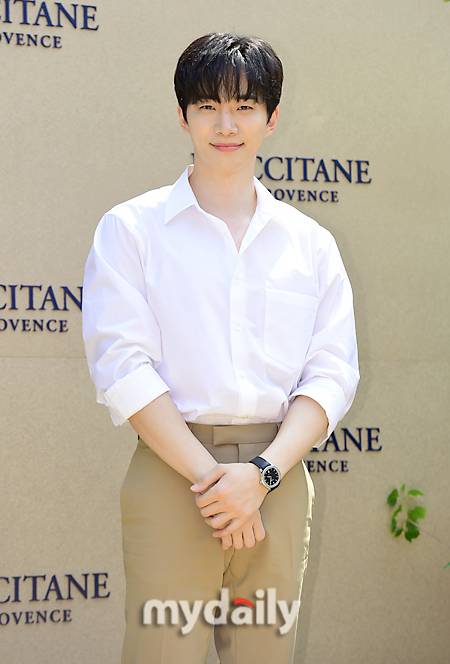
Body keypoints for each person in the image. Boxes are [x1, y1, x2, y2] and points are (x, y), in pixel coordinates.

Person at [81, 31, 360, 664]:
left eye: (244, 107)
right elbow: (124, 366)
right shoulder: (132, 229)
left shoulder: (310, 244)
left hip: (277, 479)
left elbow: (331, 373)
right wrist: (217, 484)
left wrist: (260, 478)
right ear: (183, 116)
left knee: (265, 654)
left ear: (272, 118)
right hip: (173, 475)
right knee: (161, 652)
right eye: (207, 106)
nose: (226, 125)